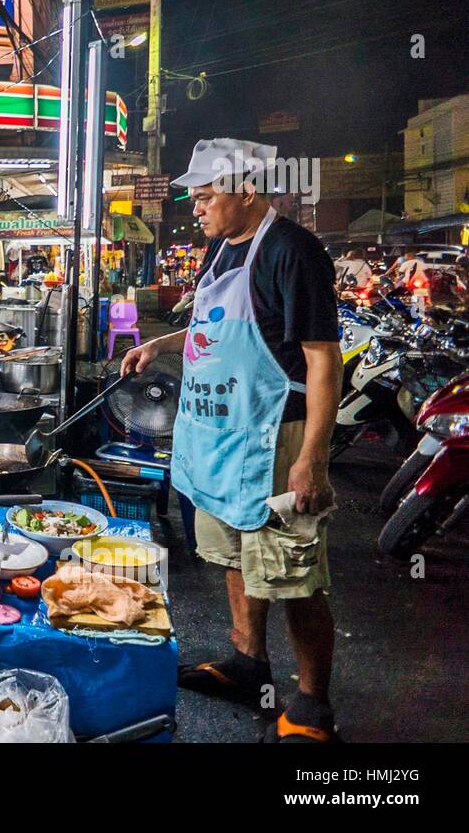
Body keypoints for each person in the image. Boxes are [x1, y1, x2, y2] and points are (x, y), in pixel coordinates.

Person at [122, 138, 342, 743]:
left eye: (206, 191)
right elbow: (206, 327)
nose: (195, 203)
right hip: (219, 437)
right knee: (233, 559)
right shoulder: (219, 248)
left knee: (293, 575)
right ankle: (248, 666)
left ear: (246, 189)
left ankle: (313, 708)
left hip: (275, 438)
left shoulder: (293, 253)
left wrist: (312, 459)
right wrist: (157, 347)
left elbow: (323, 359)